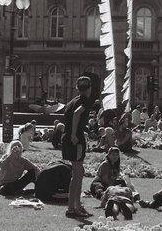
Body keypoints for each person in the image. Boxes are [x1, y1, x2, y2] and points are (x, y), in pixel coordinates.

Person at [63, 76, 93, 218]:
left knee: (77, 173)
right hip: (76, 139)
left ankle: (76, 206)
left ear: (77, 87)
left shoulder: (72, 101)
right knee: (77, 175)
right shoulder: (85, 101)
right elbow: (77, 114)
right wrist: (75, 134)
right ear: (89, 88)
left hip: (68, 139)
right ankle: (73, 208)